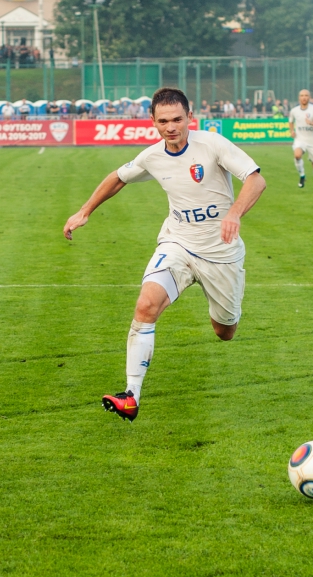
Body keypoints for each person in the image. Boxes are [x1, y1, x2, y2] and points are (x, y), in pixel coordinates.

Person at [62, 88, 267, 422]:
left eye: (177, 119)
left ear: (189, 117)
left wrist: (234, 214)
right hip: (177, 244)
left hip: (221, 254)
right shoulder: (152, 155)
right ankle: (131, 395)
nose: (171, 127)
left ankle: (227, 314)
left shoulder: (212, 145)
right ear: (153, 122)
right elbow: (118, 177)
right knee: (146, 305)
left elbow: (255, 181)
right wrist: (85, 211)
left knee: (224, 331)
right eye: (163, 121)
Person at [288, 89, 313, 193]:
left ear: (309, 97)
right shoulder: (294, 111)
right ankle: (302, 175)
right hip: (300, 139)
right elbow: (291, 121)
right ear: (299, 98)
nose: (304, 97)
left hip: (312, 141)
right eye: (302, 95)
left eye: (306, 95)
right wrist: (292, 131)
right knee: (297, 155)